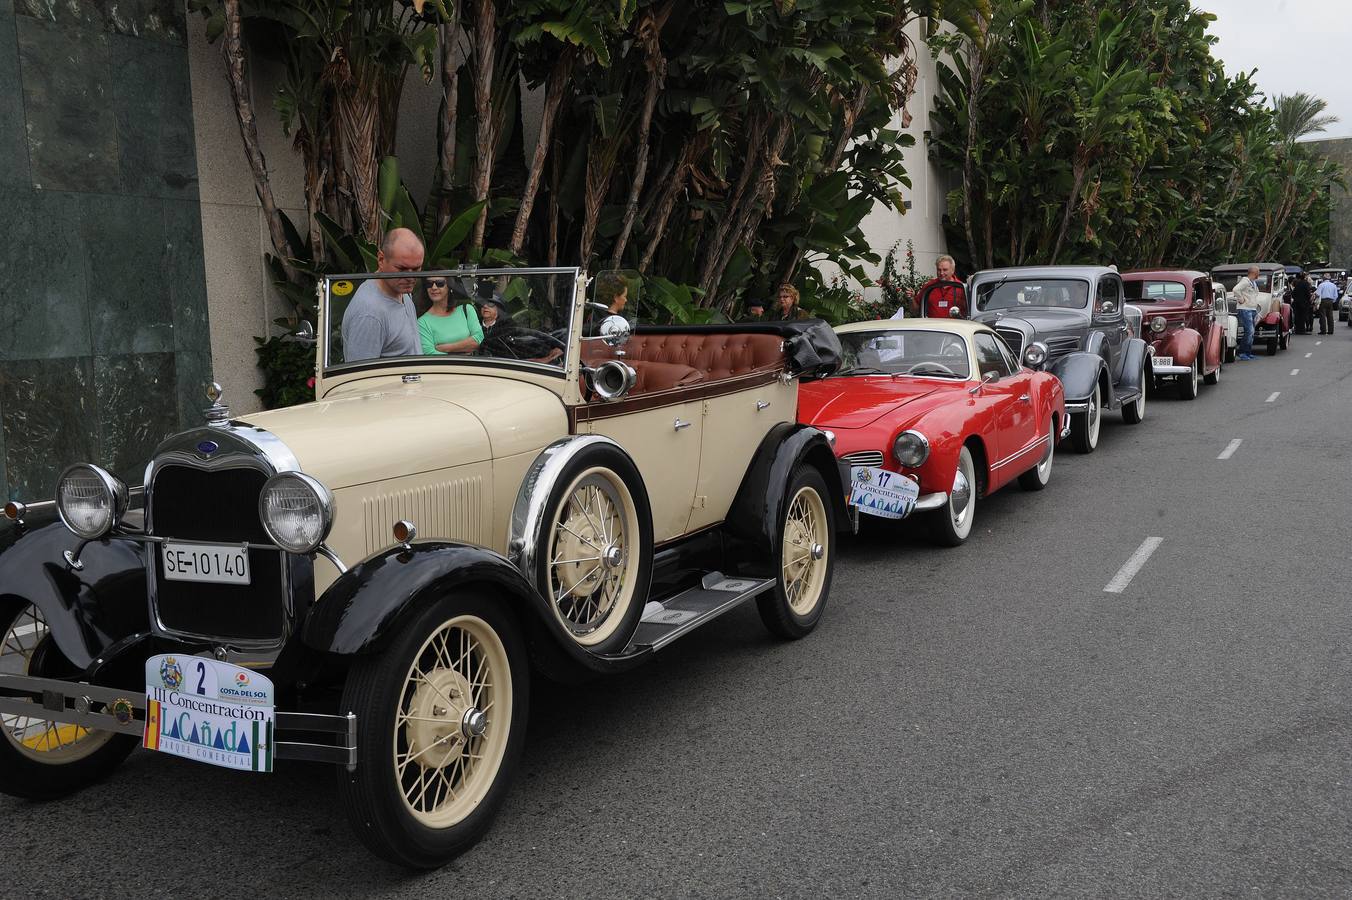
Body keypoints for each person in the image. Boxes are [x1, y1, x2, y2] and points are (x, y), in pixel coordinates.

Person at [340, 228, 424, 362]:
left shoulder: (400, 289)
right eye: (402, 269)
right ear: (381, 259)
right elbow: (361, 373)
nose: (410, 277)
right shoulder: (369, 314)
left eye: (416, 268)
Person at [418, 276, 483, 355]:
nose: (434, 287)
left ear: (449, 286)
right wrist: (465, 348)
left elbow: (479, 339)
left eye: (439, 283)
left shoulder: (466, 310)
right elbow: (430, 354)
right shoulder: (422, 322)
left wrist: (445, 348)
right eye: (429, 284)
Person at [1232, 265, 1262, 360]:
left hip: (1252, 309)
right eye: (1258, 272)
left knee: (1251, 332)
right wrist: (1241, 299)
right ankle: (1242, 352)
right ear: (1254, 273)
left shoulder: (1253, 282)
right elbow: (1235, 289)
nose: (1259, 274)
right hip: (1245, 308)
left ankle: (1248, 352)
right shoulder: (1245, 281)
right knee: (1249, 331)